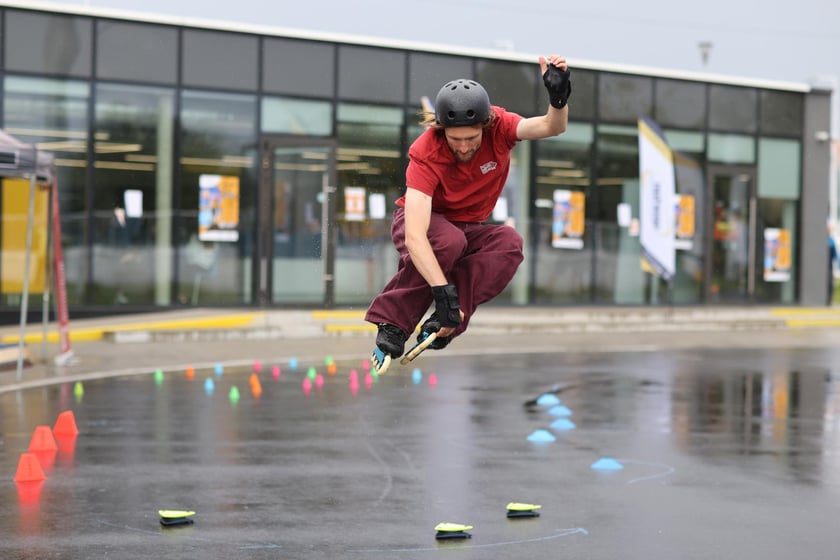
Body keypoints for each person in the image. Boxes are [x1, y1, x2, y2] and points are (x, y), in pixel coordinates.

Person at [366, 55, 572, 373]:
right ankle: (393, 325)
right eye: (455, 140)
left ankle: (448, 321)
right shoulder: (425, 152)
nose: (463, 148)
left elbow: (551, 126)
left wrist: (558, 97)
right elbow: (416, 236)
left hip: (469, 229)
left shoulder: (501, 127)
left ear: (485, 126)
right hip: (420, 223)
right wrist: (441, 291)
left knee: (508, 242)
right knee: (447, 241)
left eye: (471, 139)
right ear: (442, 130)